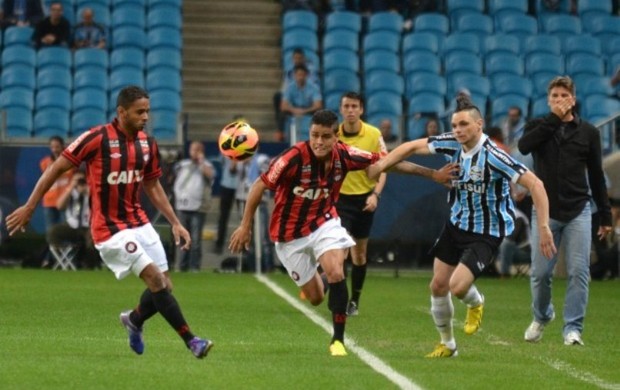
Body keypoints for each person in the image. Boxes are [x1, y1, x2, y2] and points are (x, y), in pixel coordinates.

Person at [6, 86, 213, 359]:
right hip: (109, 229)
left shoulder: (147, 144)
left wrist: (175, 221)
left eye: (148, 111)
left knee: (164, 285)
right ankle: (192, 341)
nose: (146, 117)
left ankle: (134, 320)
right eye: (140, 112)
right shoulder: (96, 138)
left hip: (138, 221)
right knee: (155, 279)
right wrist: (30, 206)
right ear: (121, 111)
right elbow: (56, 169)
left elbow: (152, 185)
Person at [229, 109, 455, 356]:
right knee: (314, 297)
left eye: (325, 136)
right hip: (288, 235)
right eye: (314, 135)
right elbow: (259, 185)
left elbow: (387, 162)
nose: (319, 142)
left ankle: (337, 340)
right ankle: (326, 276)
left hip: (324, 222)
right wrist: (245, 225)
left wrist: (433, 174)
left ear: (336, 137)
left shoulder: (346, 155)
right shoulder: (292, 158)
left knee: (336, 270)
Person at [368, 95, 556, 358]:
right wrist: (380, 166)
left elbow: (536, 184)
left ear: (479, 125)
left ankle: (477, 302)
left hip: (486, 232)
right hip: (456, 224)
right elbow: (409, 146)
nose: (457, 130)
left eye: (463, 125)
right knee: (437, 285)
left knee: (457, 287)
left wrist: (544, 226)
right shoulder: (450, 142)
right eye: (454, 125)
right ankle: (448, 344)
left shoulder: (494, 156)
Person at [518, 76, 613, 346]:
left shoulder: (589, 133)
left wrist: (605, 215)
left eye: (563, 96)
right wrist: (553, 119)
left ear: (573, 99)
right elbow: (524, 146)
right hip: (545, 212)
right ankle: (542, 315)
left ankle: (573, 328)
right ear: (548, 101)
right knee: (540, 273)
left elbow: (596, 176)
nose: (559, 100)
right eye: (554, 96)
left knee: (579, 271)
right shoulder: (538, 126)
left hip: (578, 210)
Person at [335, 92, 388, 317]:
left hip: (365, 198)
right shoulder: (334, 134)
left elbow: (384, 166)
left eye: (354, 106)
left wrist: (375, 194)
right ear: (341, 109)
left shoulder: (373, 134)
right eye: (346, 106)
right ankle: (341, 298)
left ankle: (354, 300)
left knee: (360, 254)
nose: (350, 110)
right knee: (342, 251)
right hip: (340, 199)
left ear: (361, 109)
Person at [173, 141, 215, 272]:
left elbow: (210, 175)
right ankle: (181, 266)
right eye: (192, 149)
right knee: (181, 239)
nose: (194, 152)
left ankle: (194, 267)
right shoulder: (183, 165)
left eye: (197, 150)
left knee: (195, 240)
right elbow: (173, 175)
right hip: (181, 205)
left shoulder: (206, 165)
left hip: (198, 207)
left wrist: (201, 161)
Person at [48, 171, 100, 269]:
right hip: (72, 226)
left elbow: (101, 206)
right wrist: (71, 186)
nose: (80, 183)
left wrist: (88, 192)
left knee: (92, 239)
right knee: (53, 232)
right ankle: (63, 258)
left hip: (89, 226)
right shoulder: (71, 192)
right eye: (78, 181)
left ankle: (89, 266)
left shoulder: (92, 191)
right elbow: (59, 205)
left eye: (82, 181)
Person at [40, 136, 74, 238]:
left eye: (57, 147)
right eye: (52, 147)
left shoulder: (71, 160)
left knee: (67, 229)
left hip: (65, 201)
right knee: (50, 231)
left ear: (63, 146)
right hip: (49, 201)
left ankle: (67, 252)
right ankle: (52, 252)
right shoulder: (44, 162)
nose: (55, 150)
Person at [280, 64, 322, 141]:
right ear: (294, 75)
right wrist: (294, 110)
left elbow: (318, 105)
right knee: (284, 116)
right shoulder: (290, 87)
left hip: (309, 112)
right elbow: (283, 106)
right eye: (298, 75)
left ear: (306, 75)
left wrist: (304, 111)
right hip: (293, 113)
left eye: (303, 75)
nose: (300, 77)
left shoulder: (313, 87)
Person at [214, 155, 240, 254]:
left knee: (244, 218)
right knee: (223, 217)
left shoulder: (247, 148)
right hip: (227, 185)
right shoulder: (227, 149)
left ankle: (245, 244)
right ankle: (219, 244)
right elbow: (226, 165)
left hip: (241, 187)